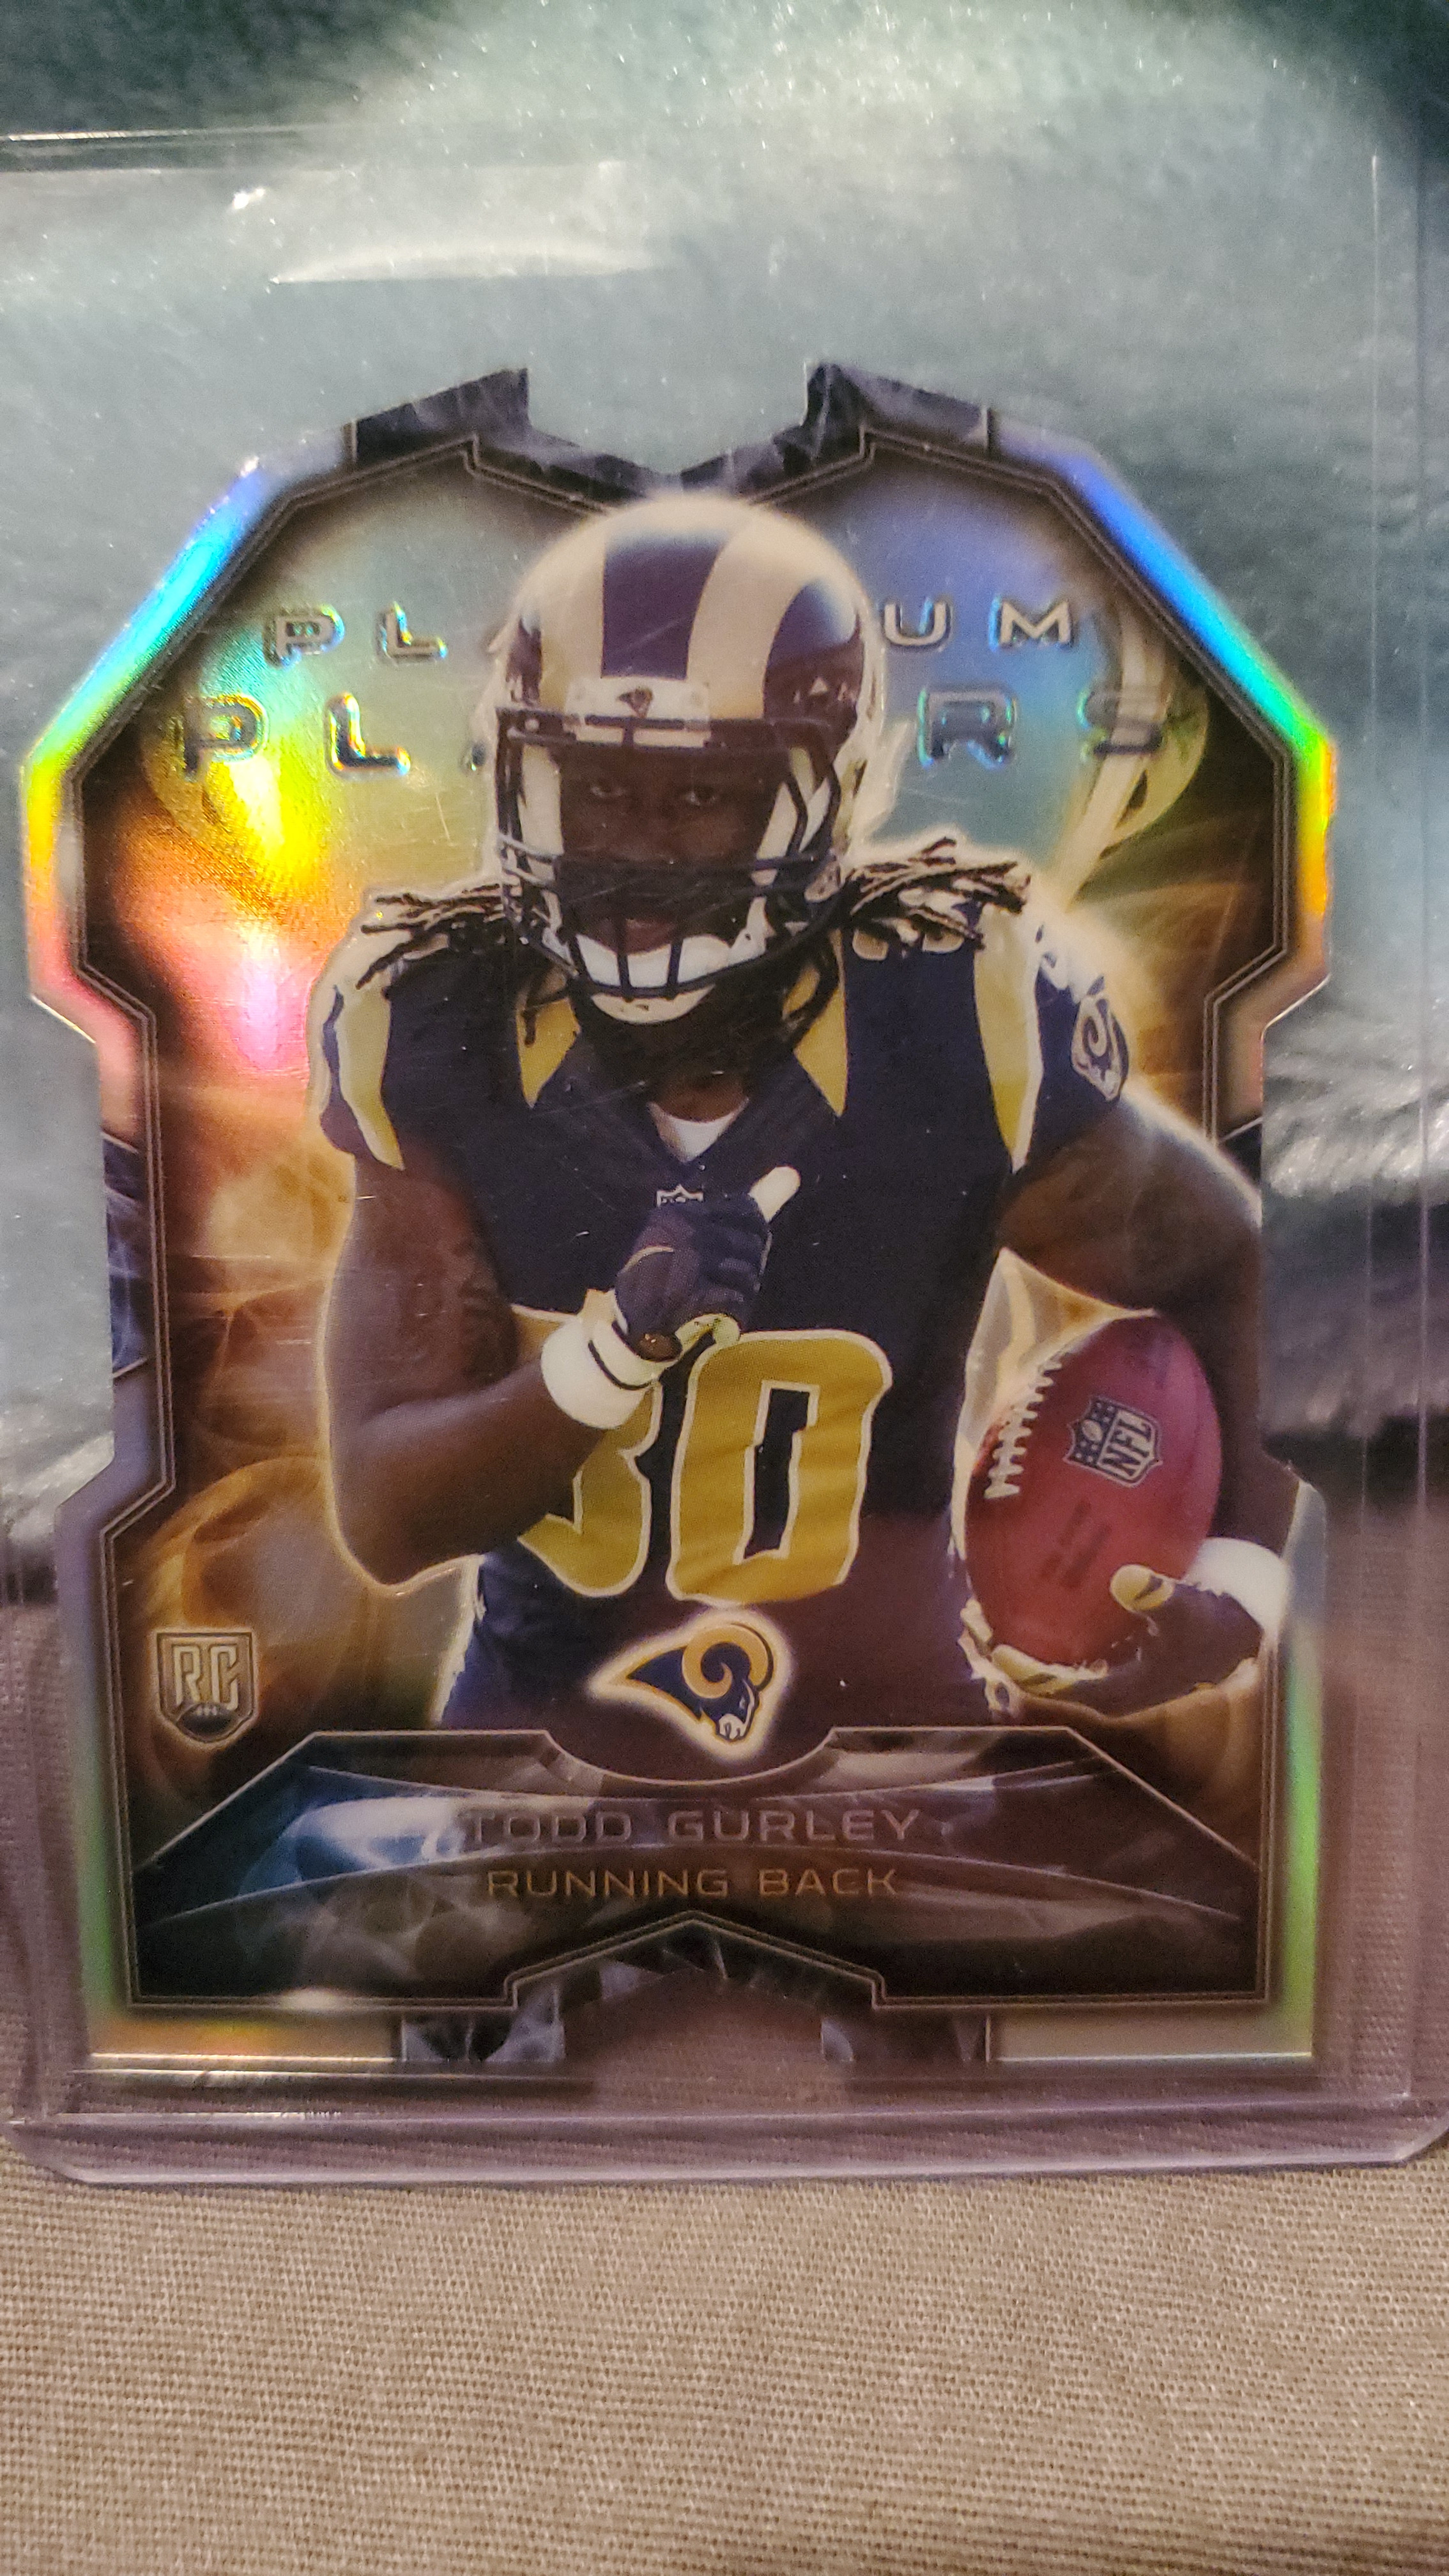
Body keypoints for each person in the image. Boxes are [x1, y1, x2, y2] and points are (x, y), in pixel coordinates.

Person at [309, 493, 1296, 1786]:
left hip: (895, 1744)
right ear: (517, 775)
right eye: (593, 786)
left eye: (702, 794)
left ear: (827, 796)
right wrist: (613, 1355)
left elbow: (1228, 1264)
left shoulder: (958, 1022)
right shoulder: (437, 1025)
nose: (633, 851)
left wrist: (1241, 1578)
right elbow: (386, 1515)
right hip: (544, 1741)